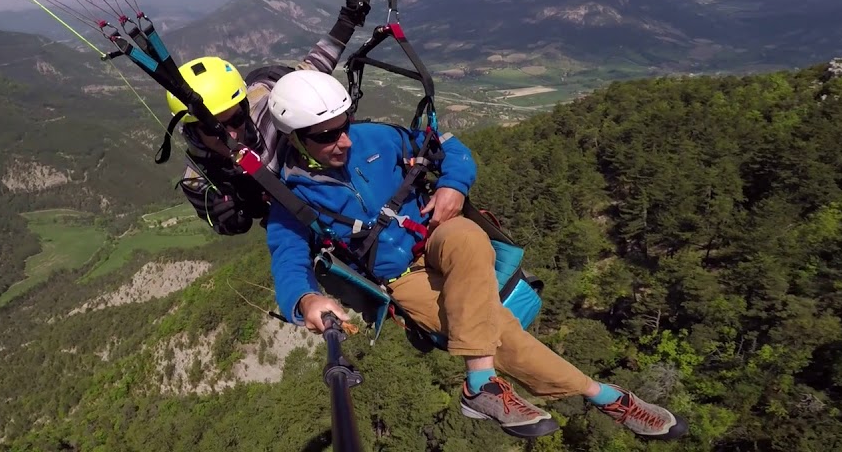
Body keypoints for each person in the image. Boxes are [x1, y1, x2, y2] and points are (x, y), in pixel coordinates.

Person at [263, 69, 690, 441]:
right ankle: (606, 397)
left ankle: (478, 385)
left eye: (344, 126)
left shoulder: (375, 138)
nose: (342, 141)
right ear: (295, 139)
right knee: (496, 329)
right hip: (398, 277)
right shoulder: (292, 194)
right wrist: (305, 300)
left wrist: (453, 184)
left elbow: (448, 147)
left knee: (466, 233)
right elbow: (287, 256)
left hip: (434, 237)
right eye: (325, 136)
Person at [169, 0, 378, 236]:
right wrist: (230, 219)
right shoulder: (198, 177)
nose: (233, 134)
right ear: (192, 132)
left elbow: (313, 70)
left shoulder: (265, 106)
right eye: (214, 128)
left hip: (274, 89)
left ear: (245, 109)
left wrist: (349, 17)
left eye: (236, 120)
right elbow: (222, 222)